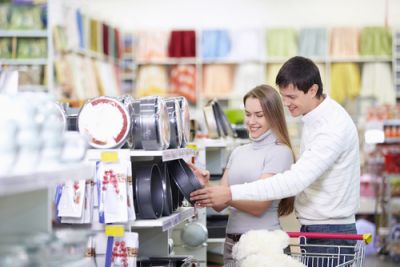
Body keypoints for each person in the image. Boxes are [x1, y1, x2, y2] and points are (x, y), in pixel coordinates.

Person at [191, 56, 360, 266]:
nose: (286, 103)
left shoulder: (331, 127)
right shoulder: (312, 119)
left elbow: (296, 180)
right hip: (314, 229)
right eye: (283, 96)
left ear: (313, 90)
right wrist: (208, 188)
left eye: (292, 96)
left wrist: (230, 193)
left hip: (330, 231)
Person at [191, 84, 295, 266]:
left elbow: (259, 205)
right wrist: (205, 185)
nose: (251, 121)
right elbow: (219, 205)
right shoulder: (239, 152)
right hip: (232, 243)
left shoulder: (280, 152)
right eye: (248, 114)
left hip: (264, 245)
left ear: (273, 116)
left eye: (259, 115)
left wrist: (226, 195)